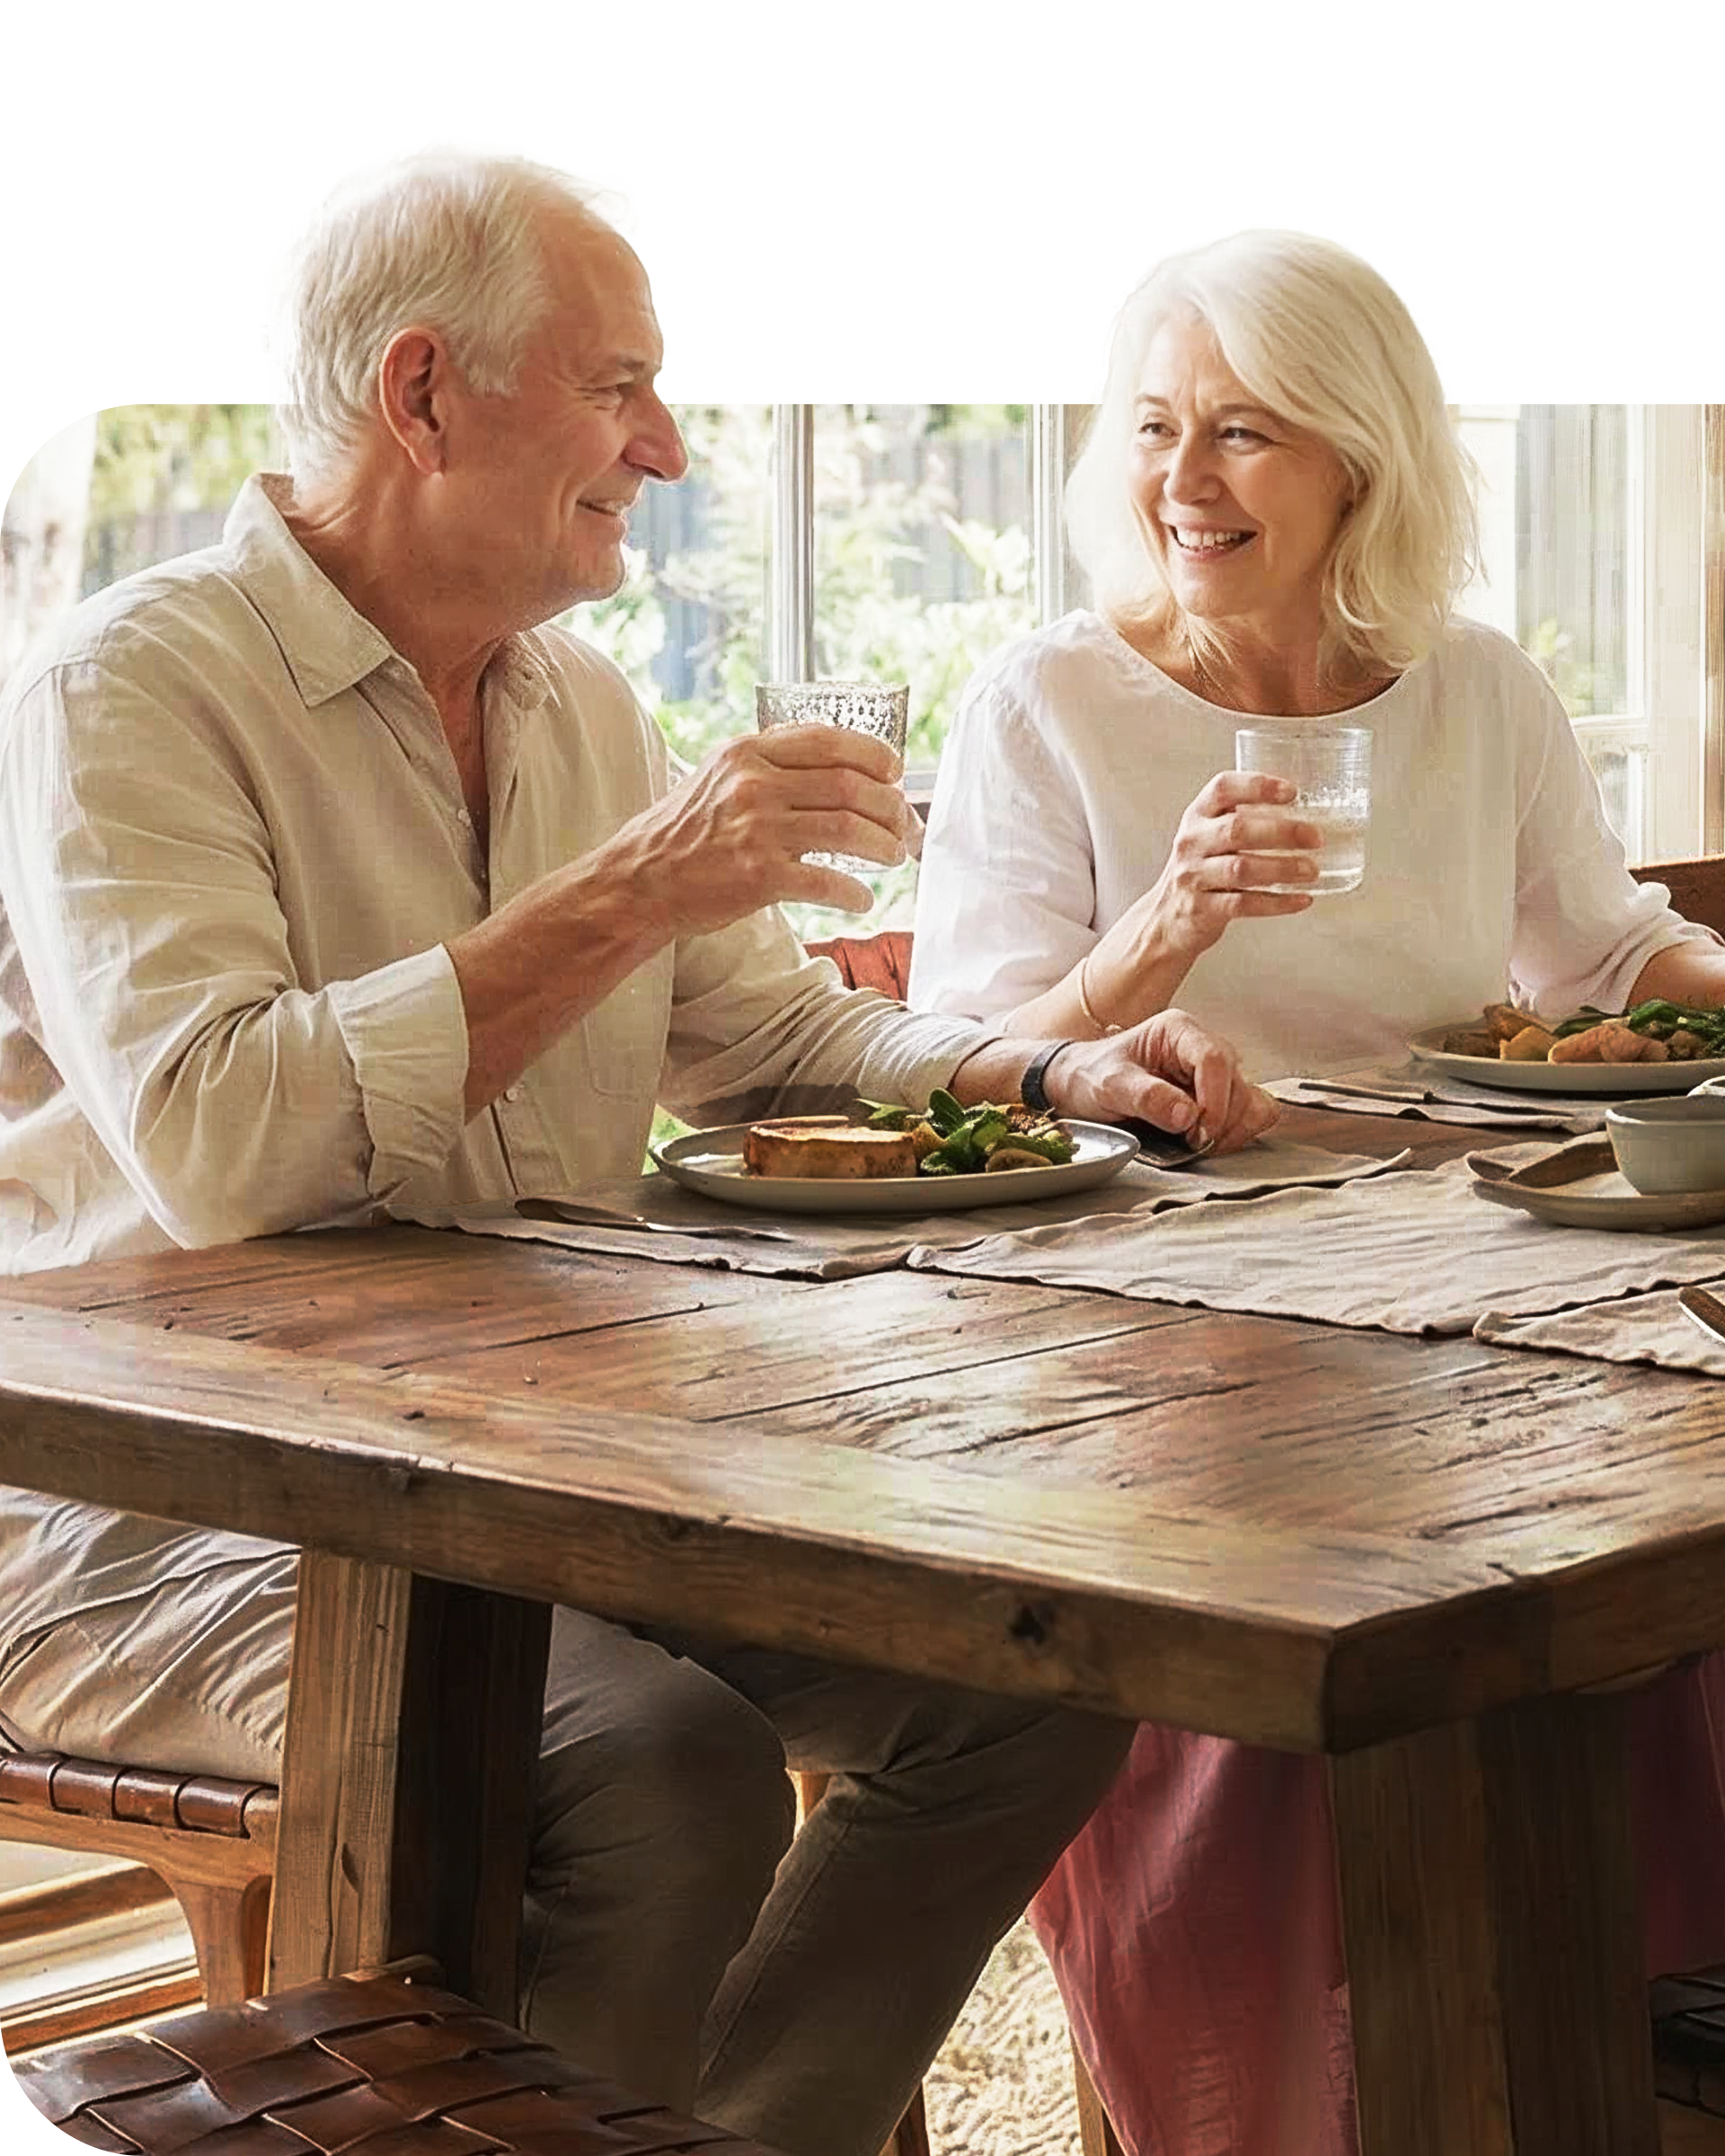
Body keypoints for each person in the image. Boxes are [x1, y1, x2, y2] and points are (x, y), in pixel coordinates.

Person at [0, 139, 1284, 2156]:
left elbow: (761, 1032)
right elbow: (221, 1141)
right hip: (151, 1508)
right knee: (655, 1766)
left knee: (1020, 1685)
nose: (668, 448)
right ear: (423, 394)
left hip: (532, 1464)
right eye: (619, 386)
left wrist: (1043, 1079)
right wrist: (627, 890)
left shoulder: (576, 698)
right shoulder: (127, 692)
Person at [908, 221, 1725, 2156]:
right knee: (1299, 1697)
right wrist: (1159, 943)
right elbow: (947, 1068)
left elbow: (1606, 961)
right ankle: (1313, 2107)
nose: (1182, 483)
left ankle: (1615, 2073)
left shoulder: (1474, 692)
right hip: (1150, 1328)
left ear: (1362, 453)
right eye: (1157, 429)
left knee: (1655, 1605)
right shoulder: (1052, 702)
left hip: (1489, 1292)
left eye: (1246, 432)